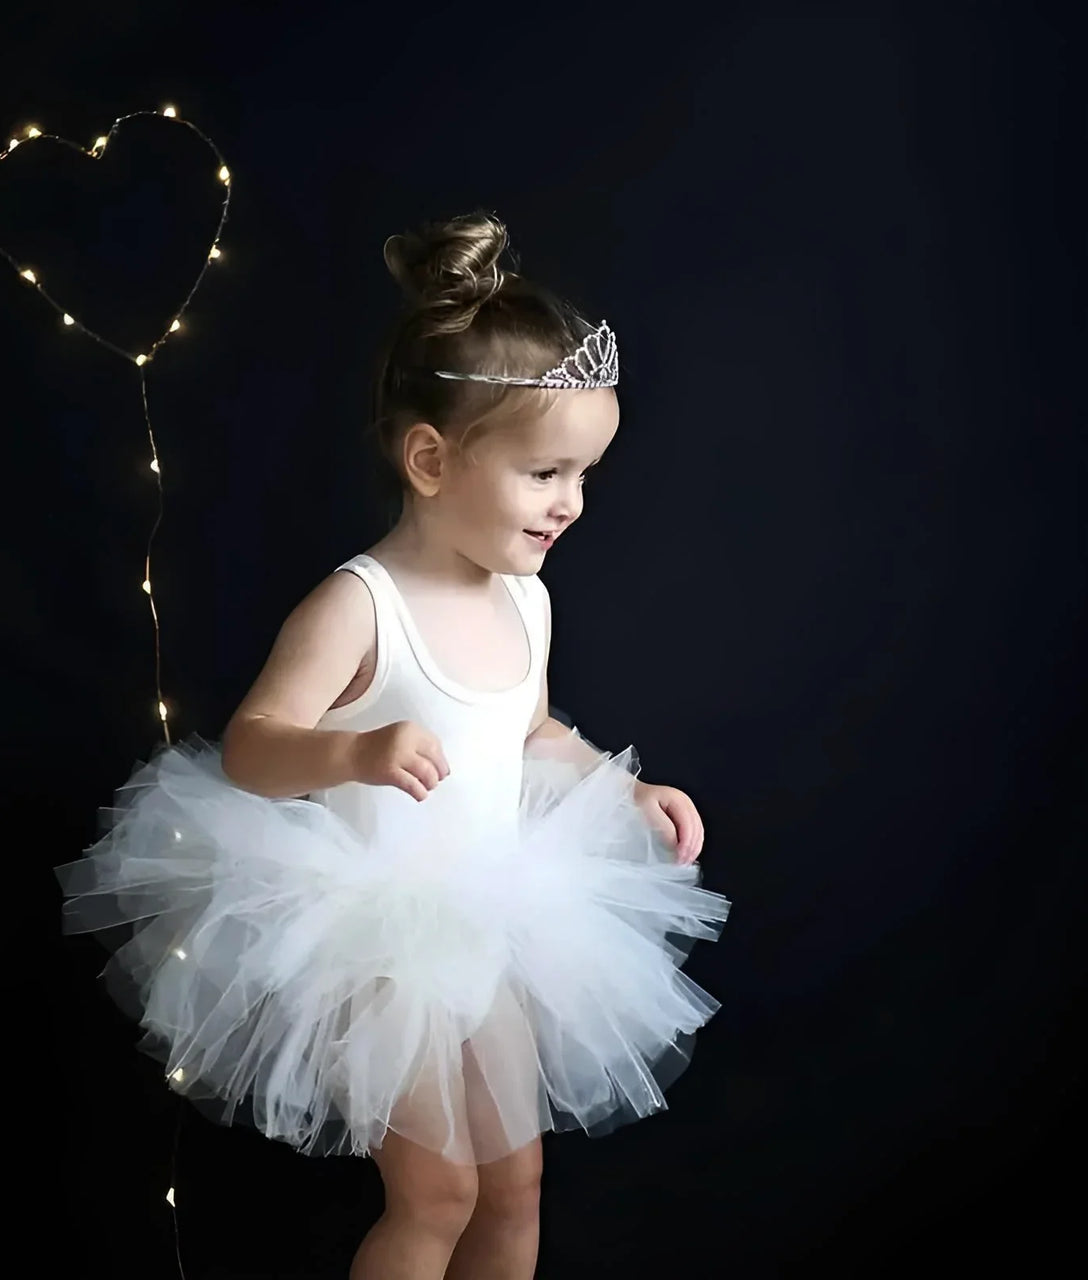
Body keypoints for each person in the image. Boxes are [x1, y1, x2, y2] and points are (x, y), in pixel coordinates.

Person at [56, 209, 730, 1280]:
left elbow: (528, 728)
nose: (572, 503)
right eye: (545, 472)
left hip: (497, 909)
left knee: (515, 1185)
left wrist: (621, 785)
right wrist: (354, 753)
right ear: (430, 457)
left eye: (584, 473)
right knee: (440, 1189)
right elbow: (253, 746)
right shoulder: (358, 604)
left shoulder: (526, 597)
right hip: (377, 937)